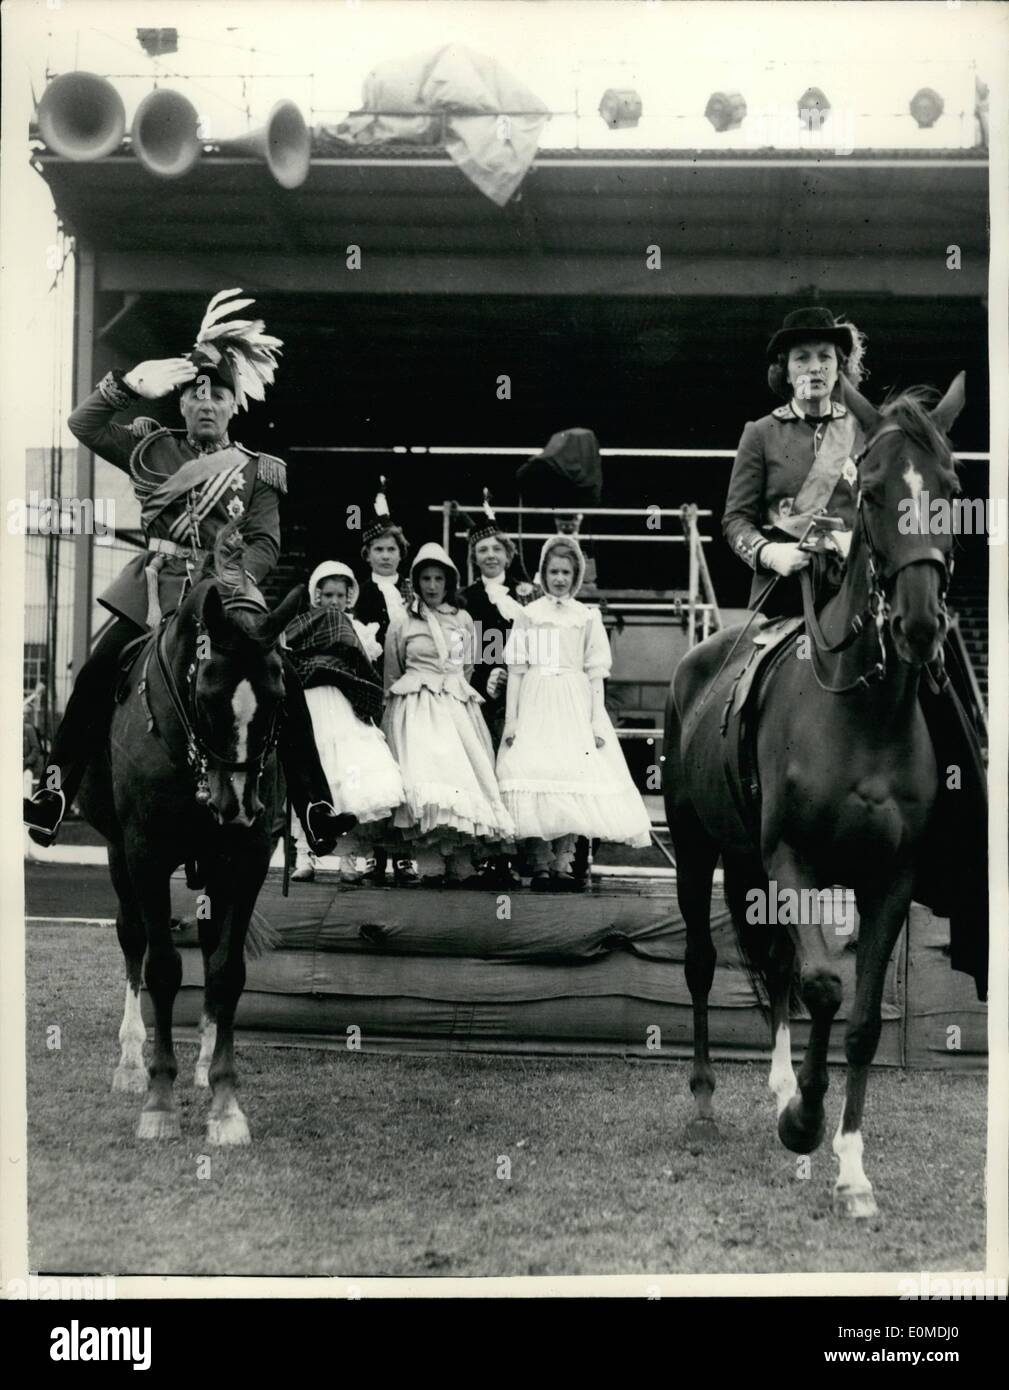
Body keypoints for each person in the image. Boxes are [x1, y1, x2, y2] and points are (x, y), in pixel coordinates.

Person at [22, 291, 349, 855]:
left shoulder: (258, 470)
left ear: (232, 404)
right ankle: (53, 792)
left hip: (226, 596)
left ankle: (315, 805)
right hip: (155, 592)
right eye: (195, 393)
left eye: (216, 394)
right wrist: (125, 385)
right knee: (97, 673)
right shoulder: (149, 447)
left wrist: (230, 578)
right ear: (180, 403)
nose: (204, 402)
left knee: (283, 682)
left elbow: (266, 542)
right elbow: (82, 423)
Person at [496, 534, 651, 891]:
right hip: (536, 699)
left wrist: (597, 719)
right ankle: (540, 863)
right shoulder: (529, 614)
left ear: (576, 574)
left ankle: (565, 862)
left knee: (570, 776)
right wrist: (513, 720)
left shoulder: (587, 617)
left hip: (572, 702)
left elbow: (595, 673)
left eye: (566, 571)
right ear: (543, 572)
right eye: (554, 571)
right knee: (532, 771)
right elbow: (517, 671)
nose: (560, 578)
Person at [382, 541, 514, 887]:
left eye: (439, 578)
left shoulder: (464, 618)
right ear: (416, 580)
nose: (432, 585)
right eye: (425, 578)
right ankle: (429, 863)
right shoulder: (402, 620)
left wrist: (454, 692)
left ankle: (459, 859)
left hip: (454, 707)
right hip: (416, 709)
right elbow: (392, 671)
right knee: (426, 783)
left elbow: (468, 665)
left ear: (449, 581)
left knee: (460, 781)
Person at [722, 305, 866, 619]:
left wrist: (852, 542)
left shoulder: (865, 431)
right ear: (785, 370)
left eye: (825, 357)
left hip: (856, 591)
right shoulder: (760, 433)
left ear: (838, 368)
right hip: (785, 593)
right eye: (802, 358)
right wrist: (770, 553)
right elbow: (735, 520)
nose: (815, 368)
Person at [285, 561, 406, 883]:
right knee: (310, 776)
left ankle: (349, 857)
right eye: (327, 595)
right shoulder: (302, 626)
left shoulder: (358, 630)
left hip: (342, 703)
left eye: (340, 594)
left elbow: (364, 670)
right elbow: (289, 659)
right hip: (310, 701)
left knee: (347, 779)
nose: (334, 602)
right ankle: (305, 855)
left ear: (349, 596)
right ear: (316, 597)